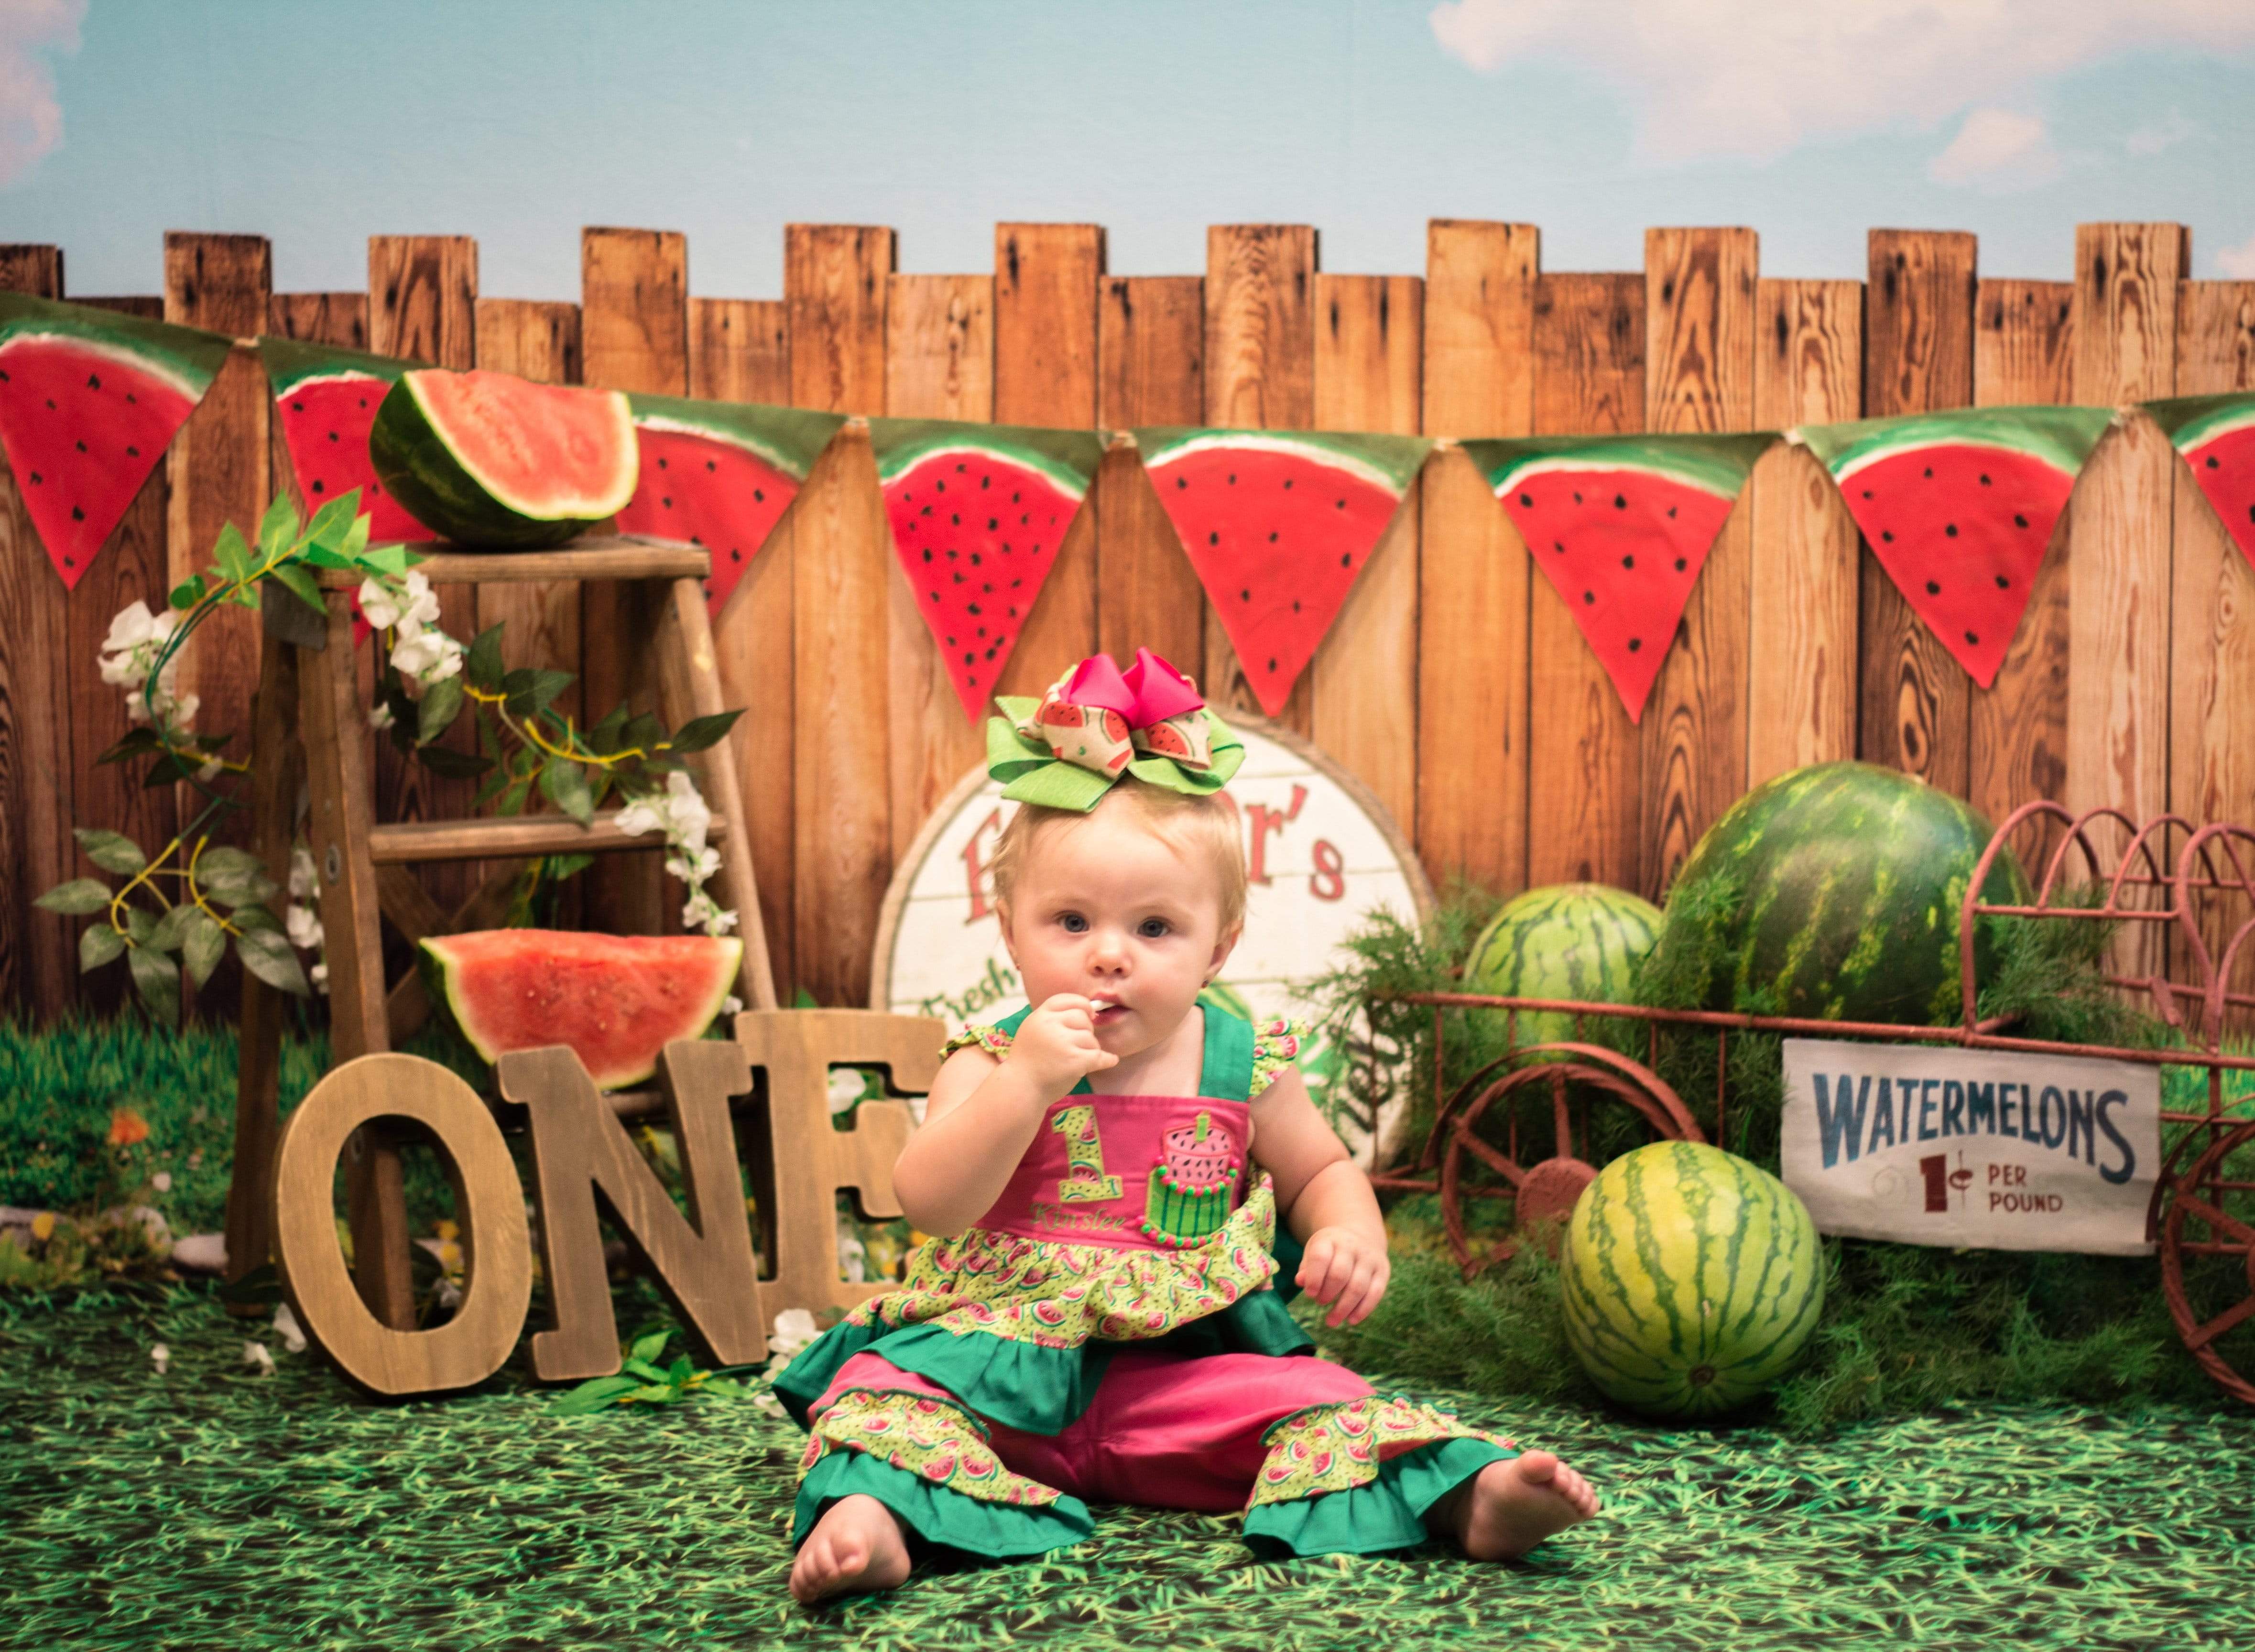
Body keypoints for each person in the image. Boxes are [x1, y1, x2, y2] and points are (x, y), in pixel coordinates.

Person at [776, 649, 1598, 1604]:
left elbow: (1318, 1170)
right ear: (1010, 930)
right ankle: (872, 1521)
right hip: (995, 1375)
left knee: (1321, 1405)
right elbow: (929, 1201)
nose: (1109, 957)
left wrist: (1348, 1231)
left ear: (1220, 947)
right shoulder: (990, 1056)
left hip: (1180, 1386)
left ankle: (1473, 1500)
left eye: (1155, 929)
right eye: (1071, 922)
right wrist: (1025, 1088)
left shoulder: (1243, 1064)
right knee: (880, 1395)